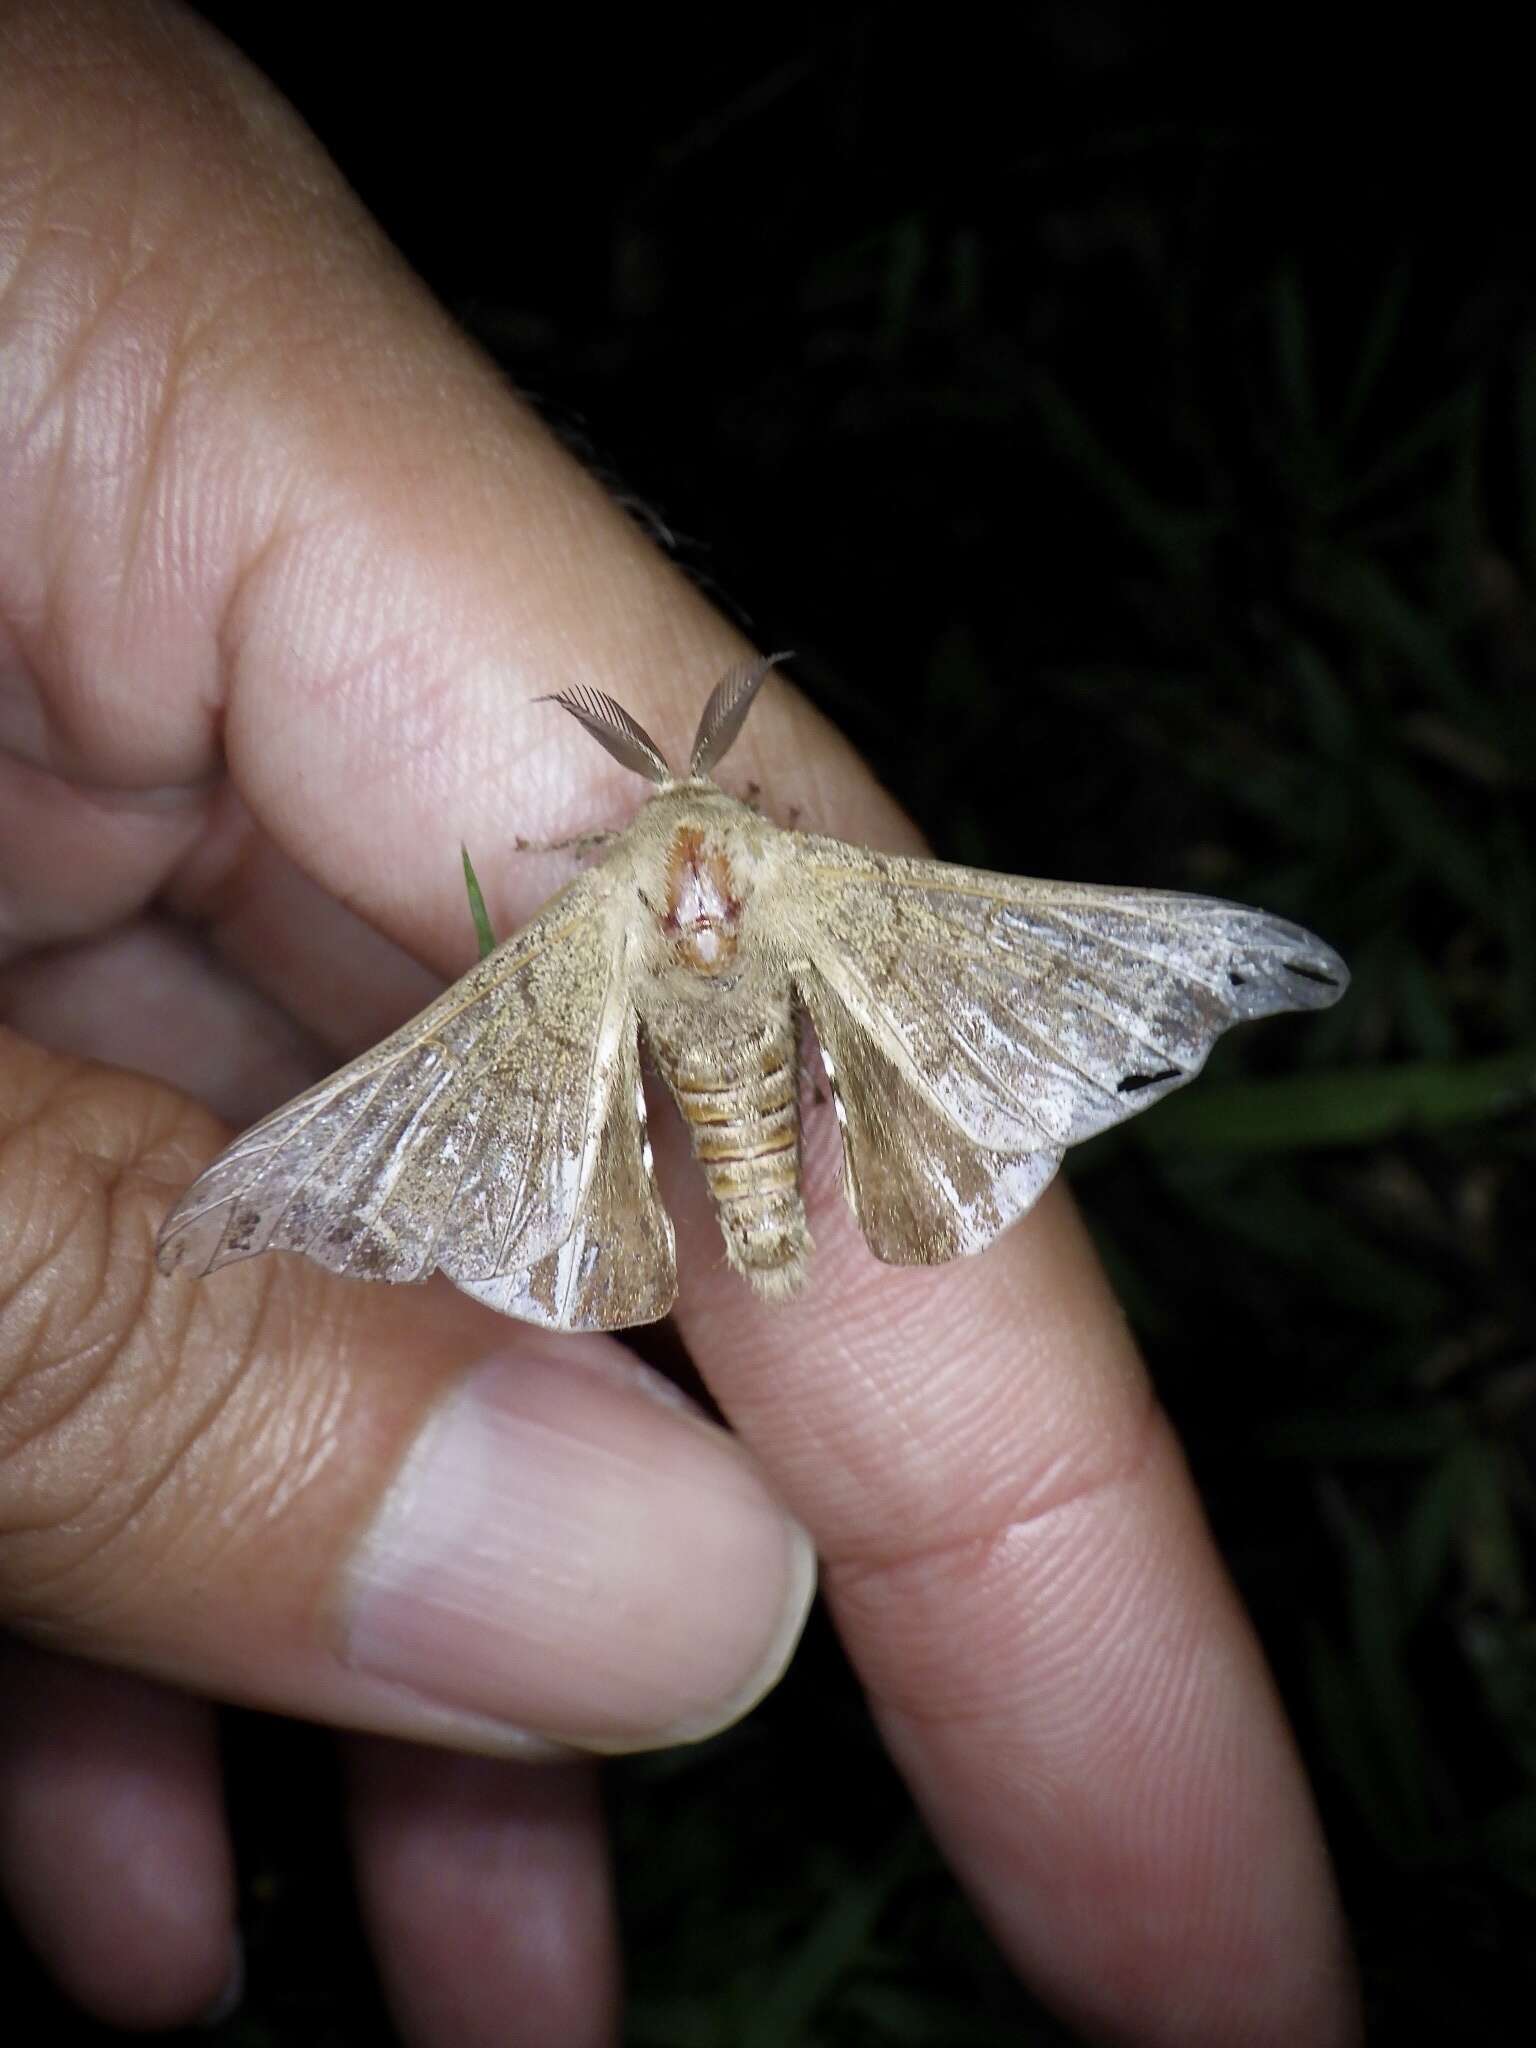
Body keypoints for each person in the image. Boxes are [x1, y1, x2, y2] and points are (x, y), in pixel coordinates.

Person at [0, 4, 1361, 2042]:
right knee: (405, 1141)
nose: (701, 861)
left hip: (749, 1095)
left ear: (726, 830)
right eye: (674, 834)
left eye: (708, 829)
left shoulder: (715, 884)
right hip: (724, 1097)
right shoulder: (661, 891)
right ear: (656, 841)